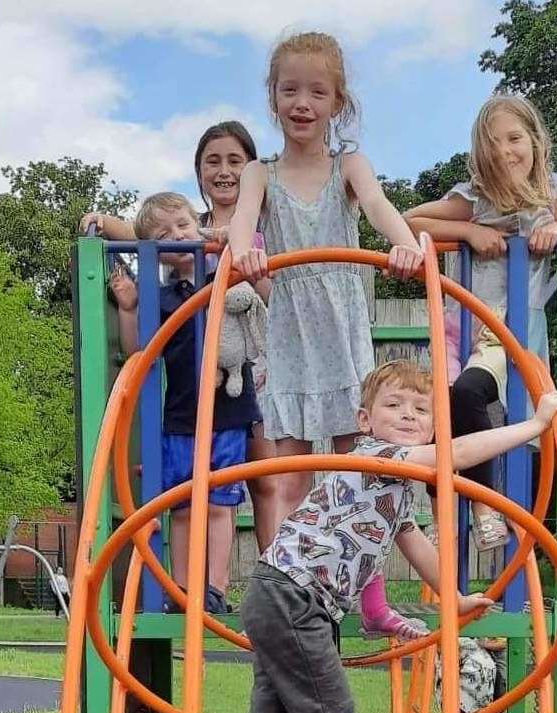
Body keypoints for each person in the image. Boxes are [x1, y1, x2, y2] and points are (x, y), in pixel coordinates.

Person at [208, 360, 557, 713]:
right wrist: (534, 427)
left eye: (421, 410)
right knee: (331, 709)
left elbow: (419, 547)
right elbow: (458, 456)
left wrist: (456, 598)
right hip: (292, 593)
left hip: (291, 595)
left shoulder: (400, 490)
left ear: (432, 424)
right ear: (365, 419)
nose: (407, 415)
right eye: (394, 406)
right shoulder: (377, 457)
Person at [228, 30, 429, 642]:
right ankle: (284, 593)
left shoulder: (350, 165)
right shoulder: (260, 174)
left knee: (358, 470)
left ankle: (368, 605)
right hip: (291, 336)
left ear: (337, 101)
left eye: (317, 91)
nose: (303, 102)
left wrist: (403, 243)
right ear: (273, 97)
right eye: (290, 90)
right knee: (288, 474)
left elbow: (376, 206)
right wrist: (246, 255)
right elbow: (240, 227)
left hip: (341, 334)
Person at [405, 95, 557, 551]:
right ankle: (447, 514)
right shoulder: (473, 198)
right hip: (460, 326)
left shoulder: (550, 194)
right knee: (441, 411)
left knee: (470, 394)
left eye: (515, 139)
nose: (505, 151)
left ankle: (485, 507)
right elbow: (411, 220)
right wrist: (469, 232)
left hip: (507, 333)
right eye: (493, 143)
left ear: (535, 141)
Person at [80, 121, 282, 555]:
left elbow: (273, 291)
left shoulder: (259, 224)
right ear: (199, 173)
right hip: (200, 373)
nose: (224, 171)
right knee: (202, 488)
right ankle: (207, 586)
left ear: (252, 170)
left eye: (235, 161)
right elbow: (147, 235)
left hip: (256, 361)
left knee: (266, 476)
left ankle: (275, 576)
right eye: (213, 161)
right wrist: (103, 220)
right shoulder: (195, 228)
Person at [109, 191, 261, 614]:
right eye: (163, 234)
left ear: (200, 226)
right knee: (180, 505)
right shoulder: (161, 296)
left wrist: (215, 237)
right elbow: (139, 349)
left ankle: (214, 586)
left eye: (184, 226)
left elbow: (245, 241)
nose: (177, 236)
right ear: (155, 252)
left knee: (220, 501)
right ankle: (182, 589)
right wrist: (128, 308)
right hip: (180, 416)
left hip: (229, 412)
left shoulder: (227, 275)